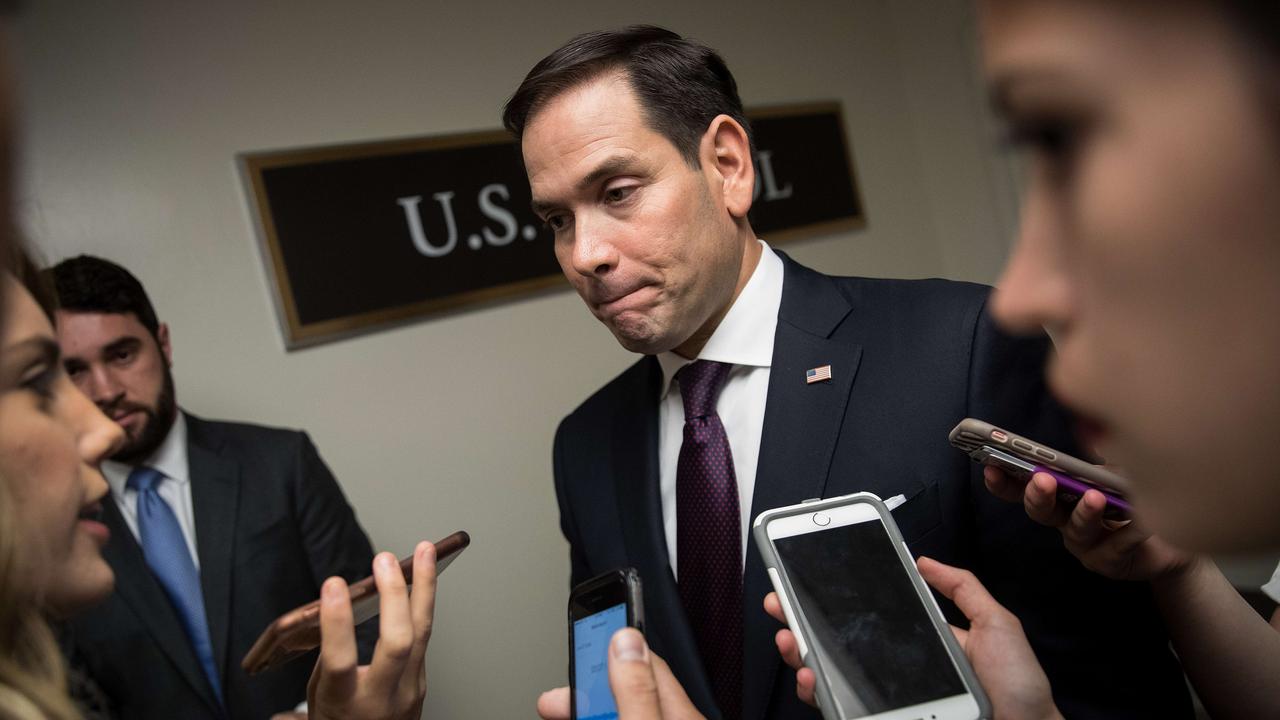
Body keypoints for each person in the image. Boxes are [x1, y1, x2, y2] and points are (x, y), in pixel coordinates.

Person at [508, 25, 1190, 720]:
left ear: (728, 165)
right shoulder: (585, 446)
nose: (585, 253)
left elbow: (1113, 686)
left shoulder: (958, 346)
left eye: (618, 192)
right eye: (557, 220)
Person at [47, 254, 379, 719]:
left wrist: (312, 715)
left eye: (122, 354)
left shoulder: (282, 463)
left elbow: (368, 611)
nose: (105, 389)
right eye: (75, 371)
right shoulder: (54, 520)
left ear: (162, 344)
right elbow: (64, 690)